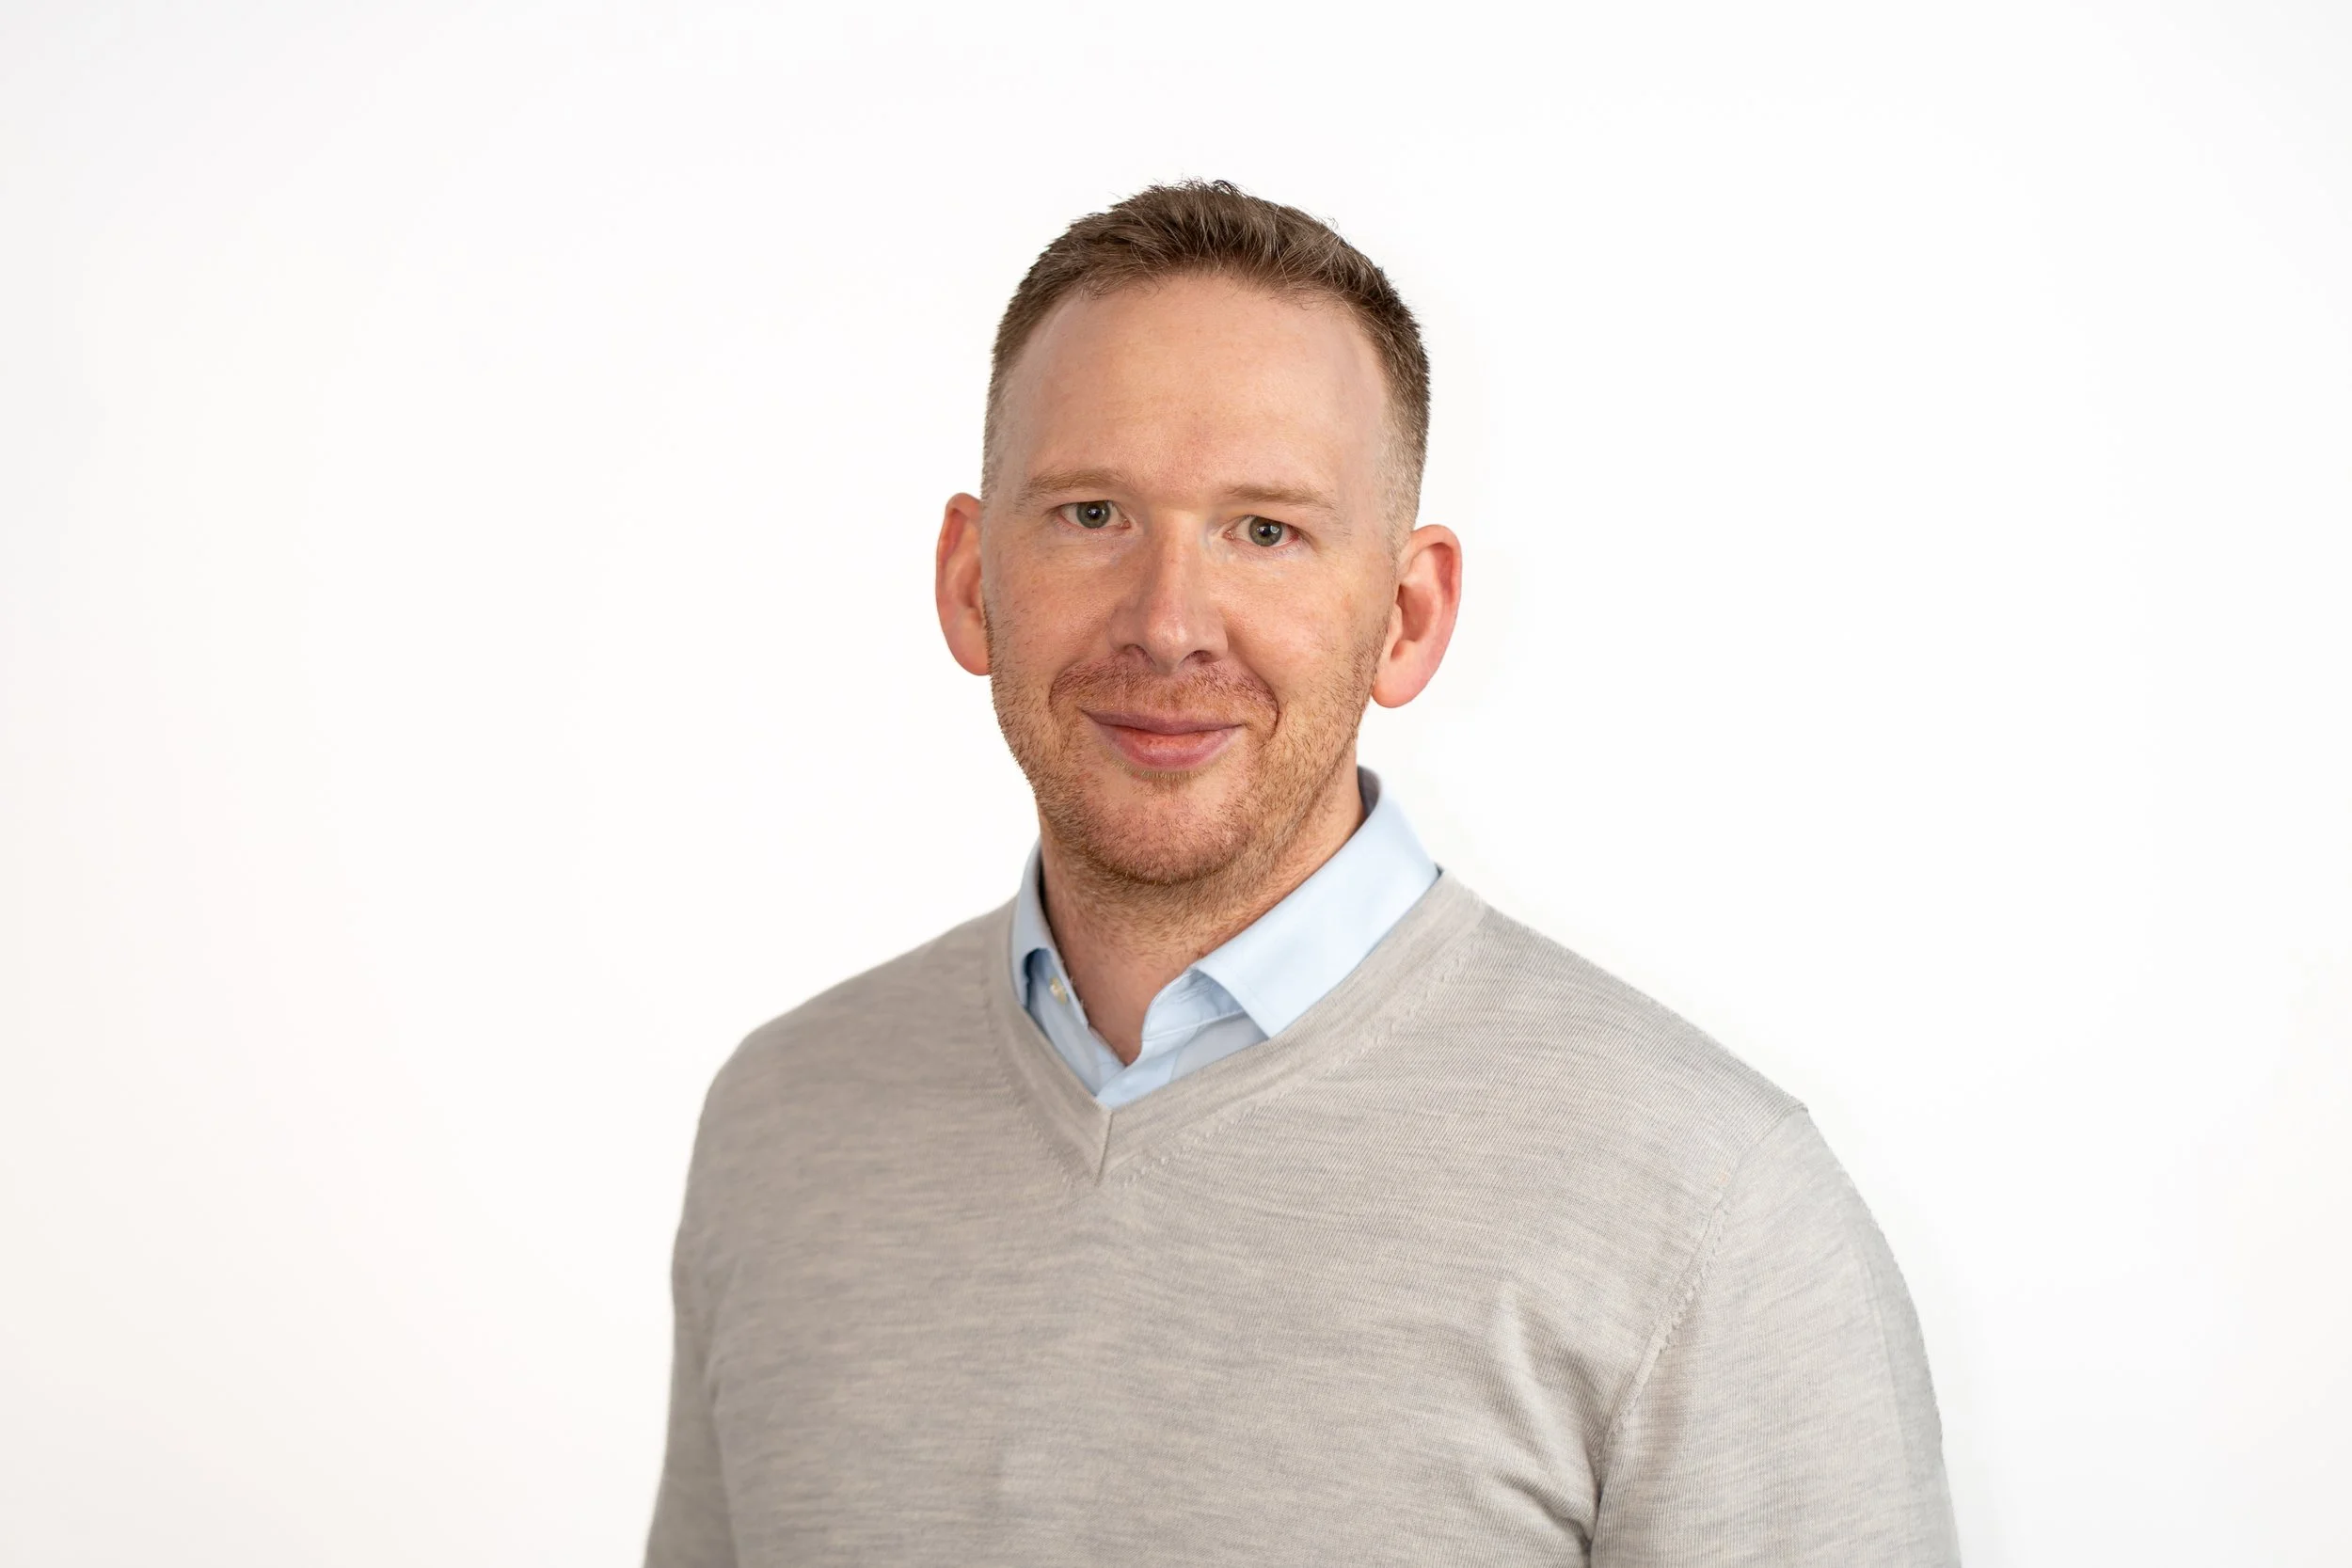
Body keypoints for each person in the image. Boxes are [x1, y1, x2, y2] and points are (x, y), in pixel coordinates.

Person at [644, 180, 1961, 1567]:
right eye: (1092, 512)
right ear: (972, 582)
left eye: (1265, 529)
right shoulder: (783, 1130)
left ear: (1409, 615)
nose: (1168, 623)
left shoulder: (1710, 1209)